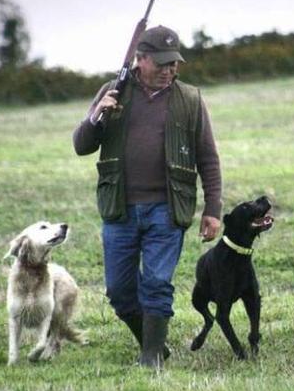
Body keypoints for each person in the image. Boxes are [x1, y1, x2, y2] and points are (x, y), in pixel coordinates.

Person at [73, 25, 222, 368]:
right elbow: (81, 146)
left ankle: (151, 355)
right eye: (163, 63)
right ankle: (151, 343)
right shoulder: (113, 91)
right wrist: (97, 117)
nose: (171, 69)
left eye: (175, 63)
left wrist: (212, 209)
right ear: (140, 60)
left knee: (156, 281)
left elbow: (208, 158)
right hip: (119, 208)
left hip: (167, 208)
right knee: (120, 291)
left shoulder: (189, 99)